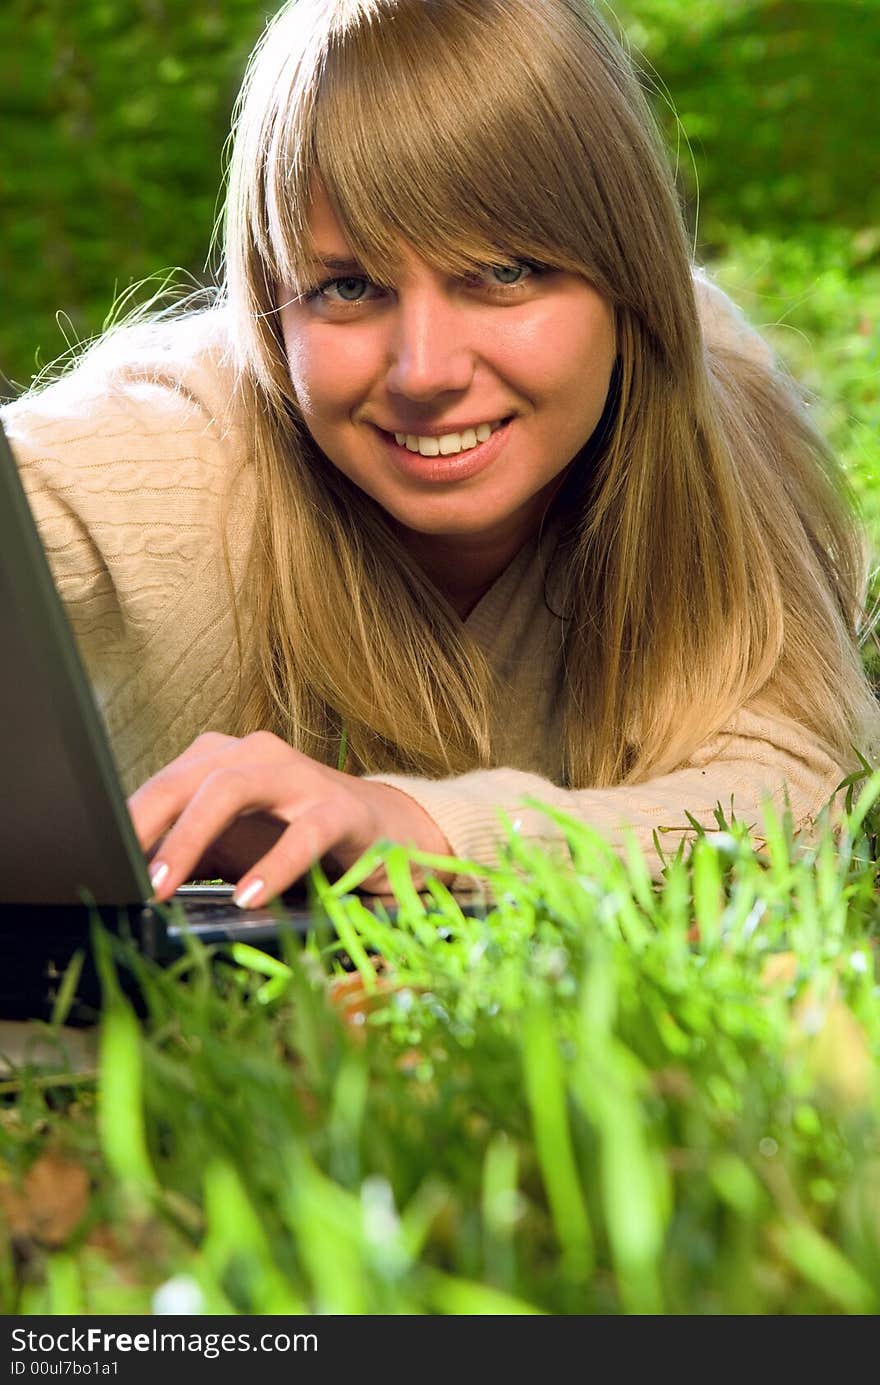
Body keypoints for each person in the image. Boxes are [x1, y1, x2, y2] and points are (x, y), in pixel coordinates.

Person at [4, 0, 878, 911]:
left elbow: (801, 792)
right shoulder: (170, 448)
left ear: (631, 278)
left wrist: (420, 833)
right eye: (348, 286)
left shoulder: (708, 406)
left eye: (503, 273)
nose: (425, 370)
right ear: (269, 300)